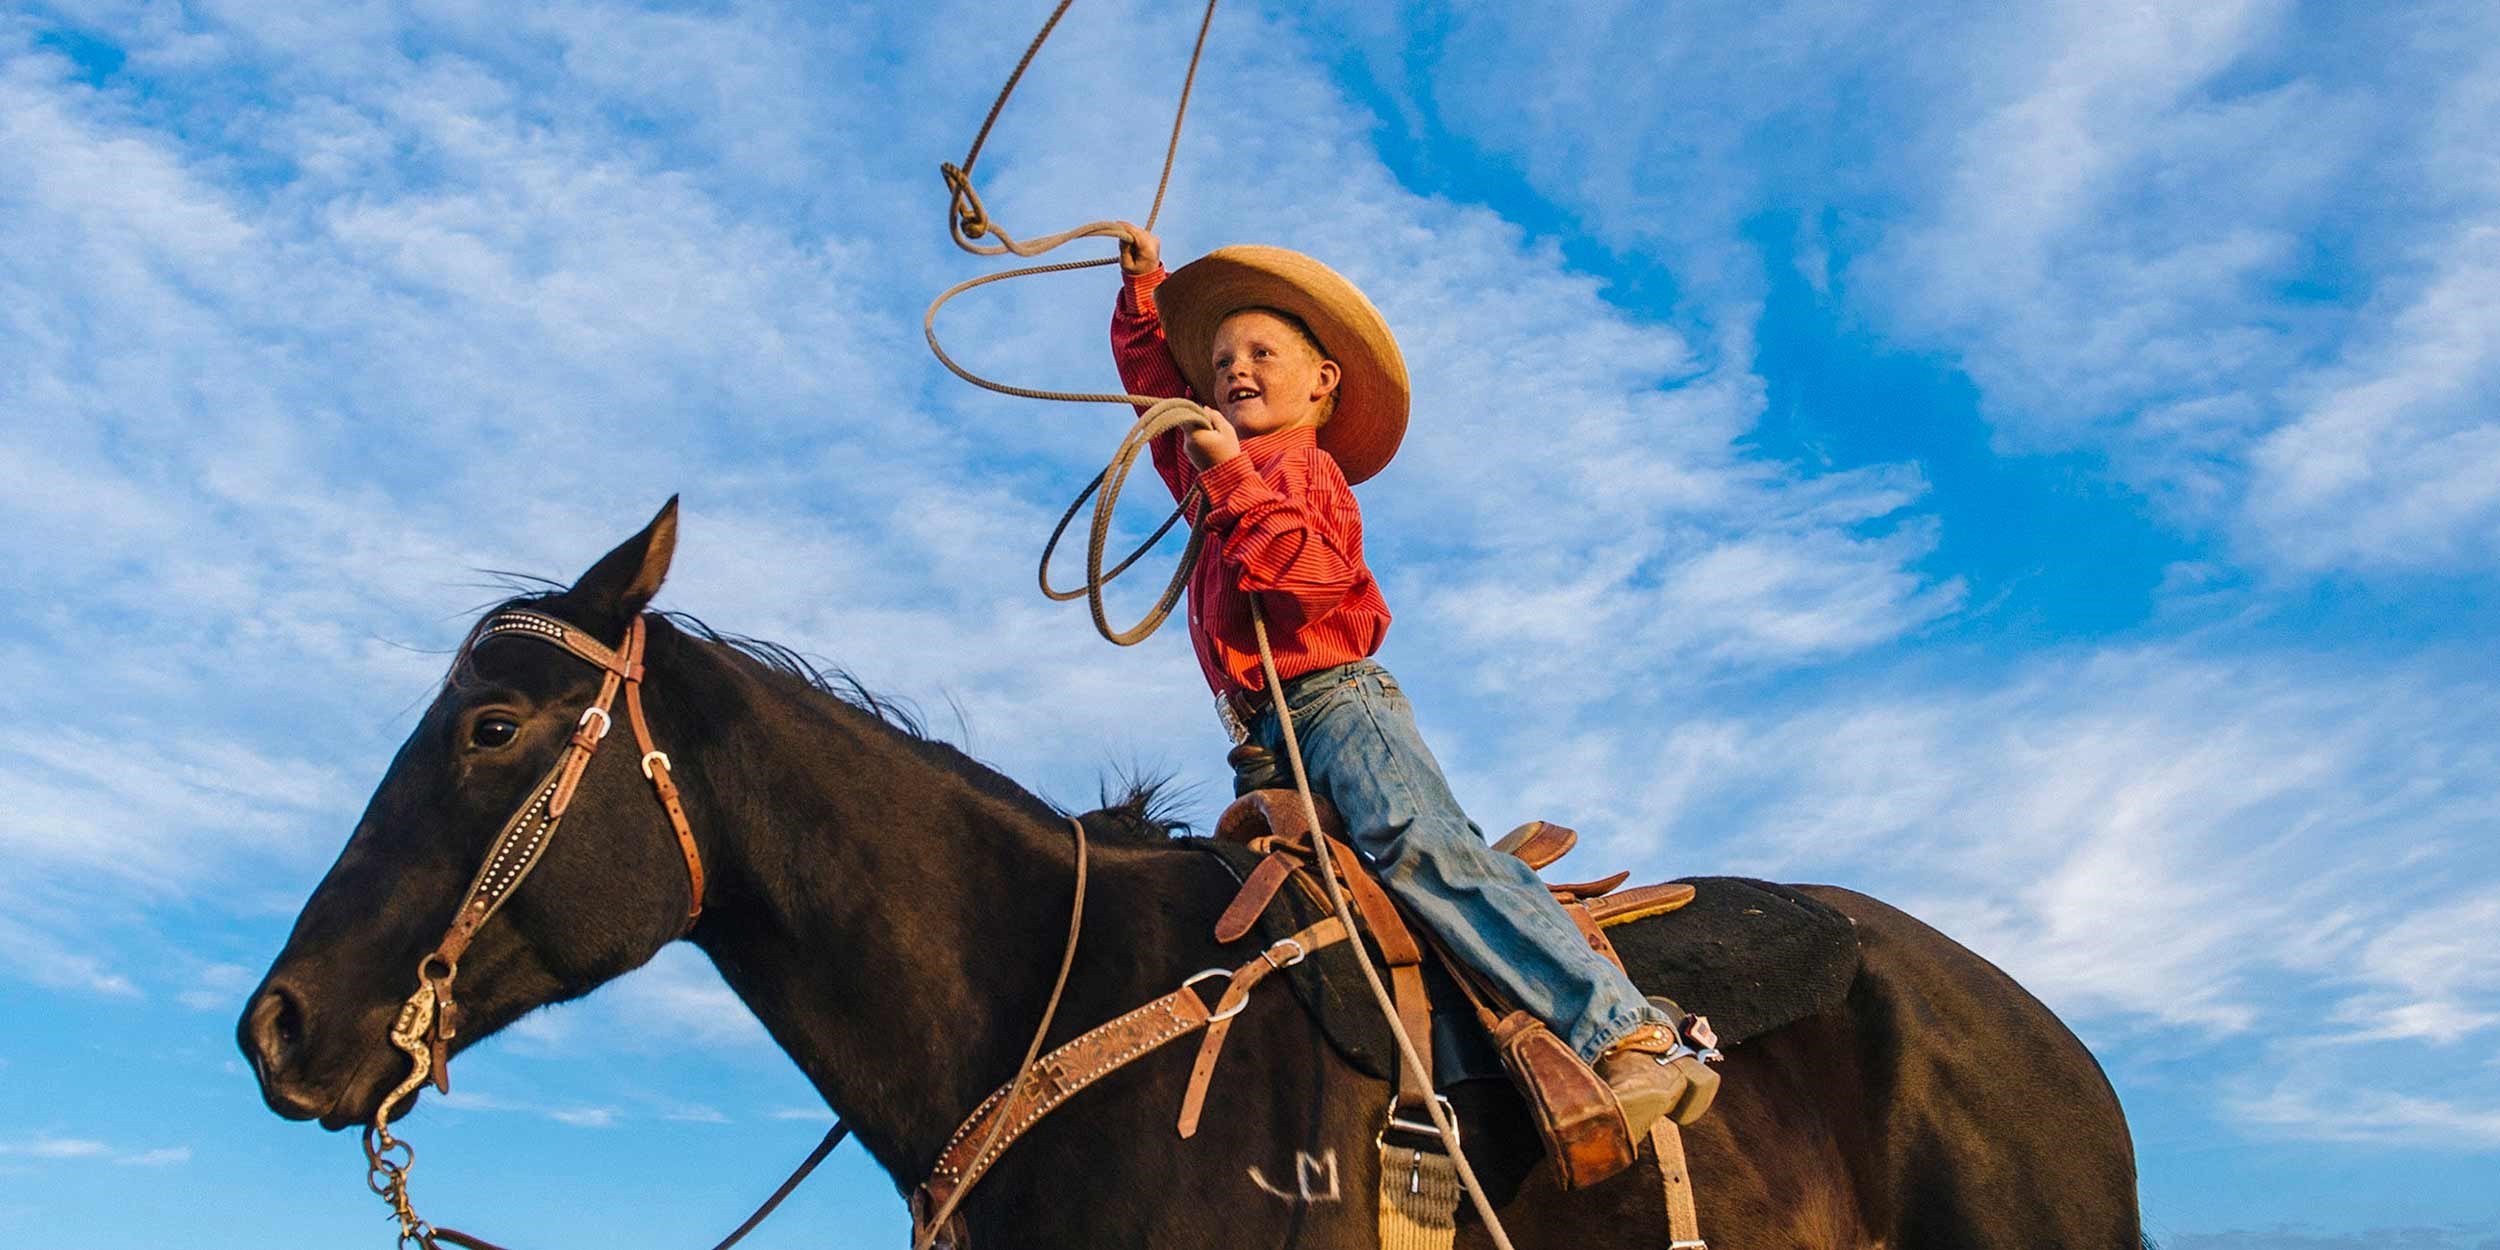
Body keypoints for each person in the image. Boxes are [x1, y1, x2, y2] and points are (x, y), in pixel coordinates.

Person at [1109, 224, 1717, 1139]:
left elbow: (1308, 578)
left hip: (1336, 708)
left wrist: (1230, 474)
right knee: (1300, 913)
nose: (1234, 369)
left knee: (1419, 847)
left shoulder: (1305, 474)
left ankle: (1627, 1036)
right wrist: (1144, 292)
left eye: (1262, 353)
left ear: (1322, 383)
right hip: (1262, 744)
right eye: (1222, 359)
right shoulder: (1215, 475)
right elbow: (1158, 393)